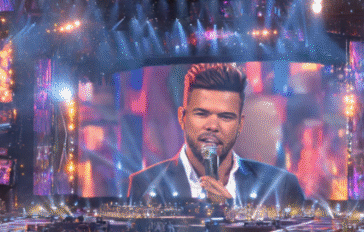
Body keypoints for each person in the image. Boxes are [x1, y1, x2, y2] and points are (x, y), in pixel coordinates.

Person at [127, 63, 305, 207]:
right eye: (202, 114)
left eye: (225, 116)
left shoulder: (282, 186)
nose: (212, 126)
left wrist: (231, 213)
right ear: (182, 117)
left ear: (240, 124)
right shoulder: (145, 185)